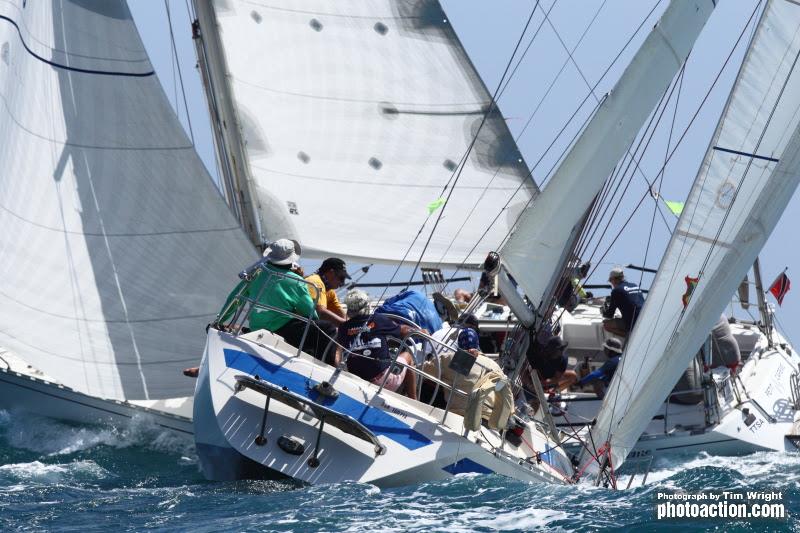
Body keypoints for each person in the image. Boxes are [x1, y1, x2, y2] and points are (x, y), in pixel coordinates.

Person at [217, 239, 336, 361]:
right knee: (328, 328)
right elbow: (311, 314)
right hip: (282, 330)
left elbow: (235, 297)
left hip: (256, 326)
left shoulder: (255, 273)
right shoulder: (296, 281)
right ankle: (328, 367)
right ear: (292, 259)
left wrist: (219, 320)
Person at [337, 290, 417, 400]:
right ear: (366, 306)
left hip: (355, 382)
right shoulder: (378, 319)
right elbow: (402, 331)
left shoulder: (343, 328)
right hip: (382, 383)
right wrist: (420, 331)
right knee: (407, 356)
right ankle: (414, 400)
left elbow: (338, 350)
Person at [305, 258, 350, 325]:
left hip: (308, 324)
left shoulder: (330, 291)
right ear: (331, 273)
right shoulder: (315, 282)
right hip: (297, 323)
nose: (342, 283)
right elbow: (320, 312)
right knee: (330, 329)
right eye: (341, 278)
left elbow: (339, 313)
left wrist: (351, 324)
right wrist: (346, 325)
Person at [602, 267, 645, 337]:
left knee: (606, 325)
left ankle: (629, 336)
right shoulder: (635, 285)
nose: (611, 283)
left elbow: (609, 314)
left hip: (632, 322)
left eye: (610, 280)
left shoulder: (616, 291)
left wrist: (604, 311)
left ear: (614, 279)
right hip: (644, 318)